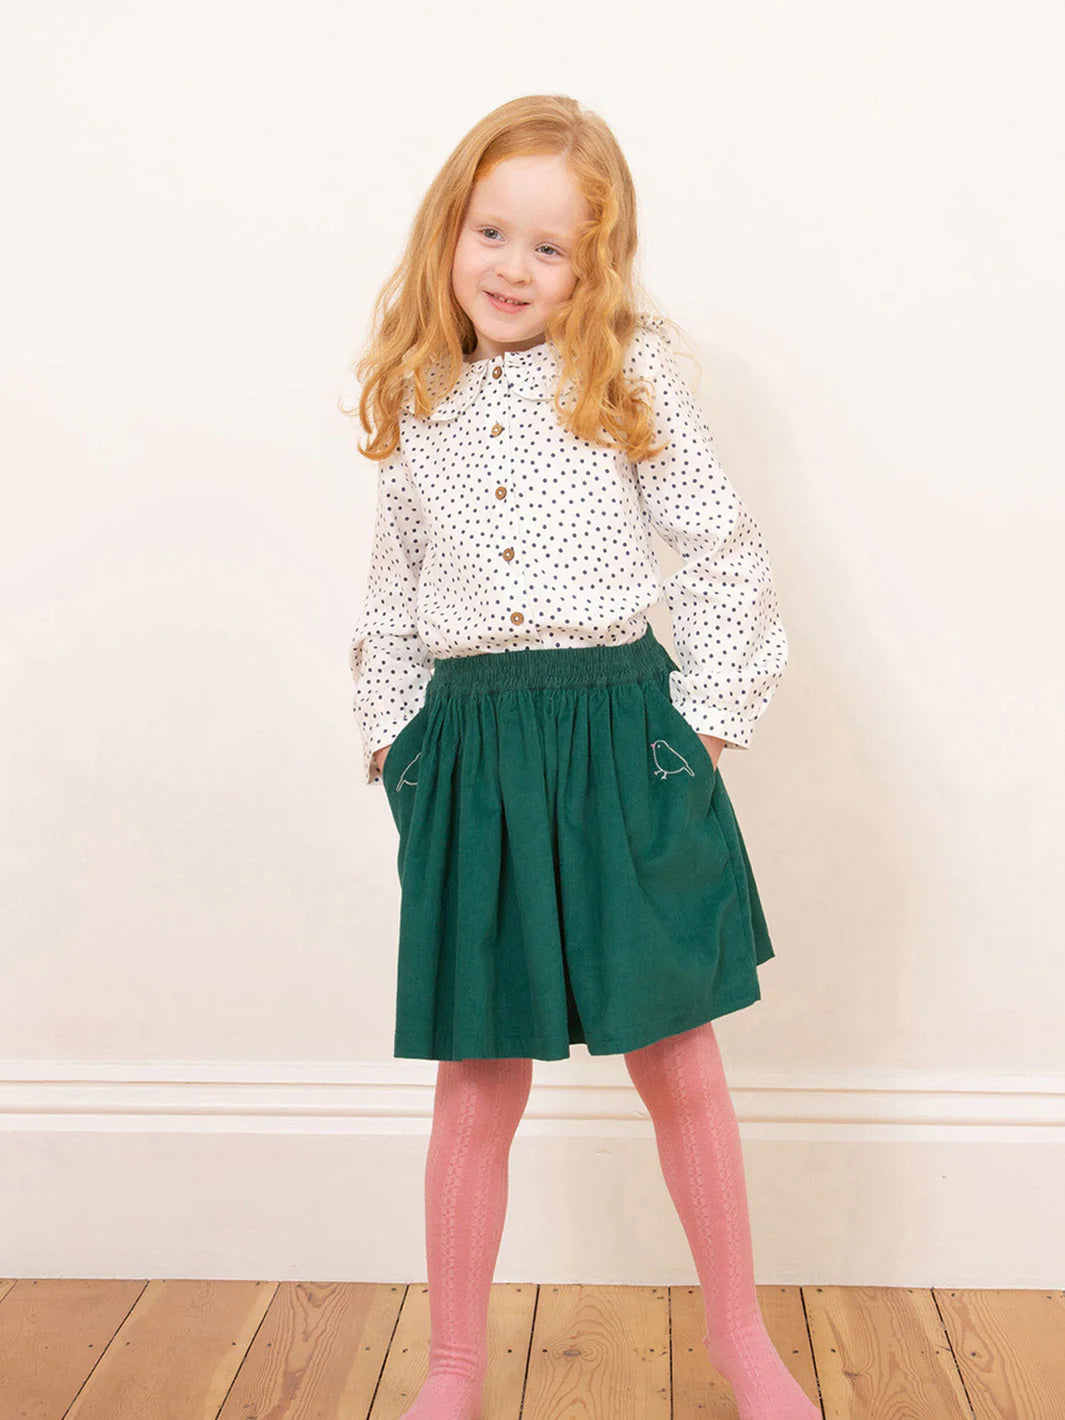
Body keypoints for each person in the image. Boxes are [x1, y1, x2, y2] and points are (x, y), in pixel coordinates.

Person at [344, 94, 819, 1420]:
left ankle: (740, 1344)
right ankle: (452, 1367)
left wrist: (698, 728)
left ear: (593, 265)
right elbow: (391, 595)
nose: (512, 266)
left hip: (623, 740)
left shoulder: (627, 374)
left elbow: (718, 550)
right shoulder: (420, 397)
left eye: (549, 248)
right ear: (449, 230)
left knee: (677, 1058)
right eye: (491, 232)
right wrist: (400, 752)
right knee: (475, 1077)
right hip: (470, 750)